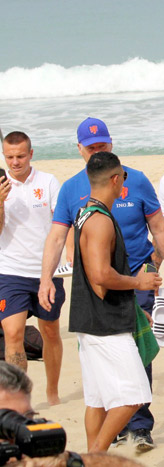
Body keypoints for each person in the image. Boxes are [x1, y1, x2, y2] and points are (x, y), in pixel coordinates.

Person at [38, 117, 164, 452]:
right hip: (111, 296)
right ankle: (97, 452)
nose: (96, 151)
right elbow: (83, 260)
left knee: (101, 391)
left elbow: (160, 228)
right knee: (132, 389)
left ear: (111, 145)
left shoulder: (127, 188)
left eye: (101, 145)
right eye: (91, 147)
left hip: (117, 295)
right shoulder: (91, 209)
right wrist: (46, 278)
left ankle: (133, 432)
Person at [69, 151, 160, 453]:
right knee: (135, 394)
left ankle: (94, 458)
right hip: (105, 325)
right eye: (124, 176)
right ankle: (95, 456)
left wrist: (133, 309)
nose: (125, 181)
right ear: (115, 179)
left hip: (89, 321)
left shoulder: (84, 213)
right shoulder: (100, 221)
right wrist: (139, 282)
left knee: (96, 401)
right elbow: (100, 277)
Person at [0, 132, 64, 406]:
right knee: (13, 334)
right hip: (10, 271)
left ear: (31, 154)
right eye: (9, 157)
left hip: (47, 270)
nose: (15, 162)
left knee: (49, 332)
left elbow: (62, 225)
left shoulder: (48, 182)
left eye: (20, 156)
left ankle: (52, 391)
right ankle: (19, 398)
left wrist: (65, 261)